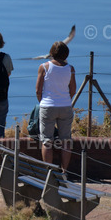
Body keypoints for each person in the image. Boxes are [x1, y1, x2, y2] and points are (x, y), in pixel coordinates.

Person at [35, 41, 76, 175]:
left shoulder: (44, 67)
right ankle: (64, 172)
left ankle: (49, 173)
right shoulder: (70, 68)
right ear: (66, 54)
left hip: (48, 106)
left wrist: (43, 102)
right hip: (65, 106)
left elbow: (38, 90)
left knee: (47, 141)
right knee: (66, 141)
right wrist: (65, 99)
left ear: (51, 53)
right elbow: (73, 89)